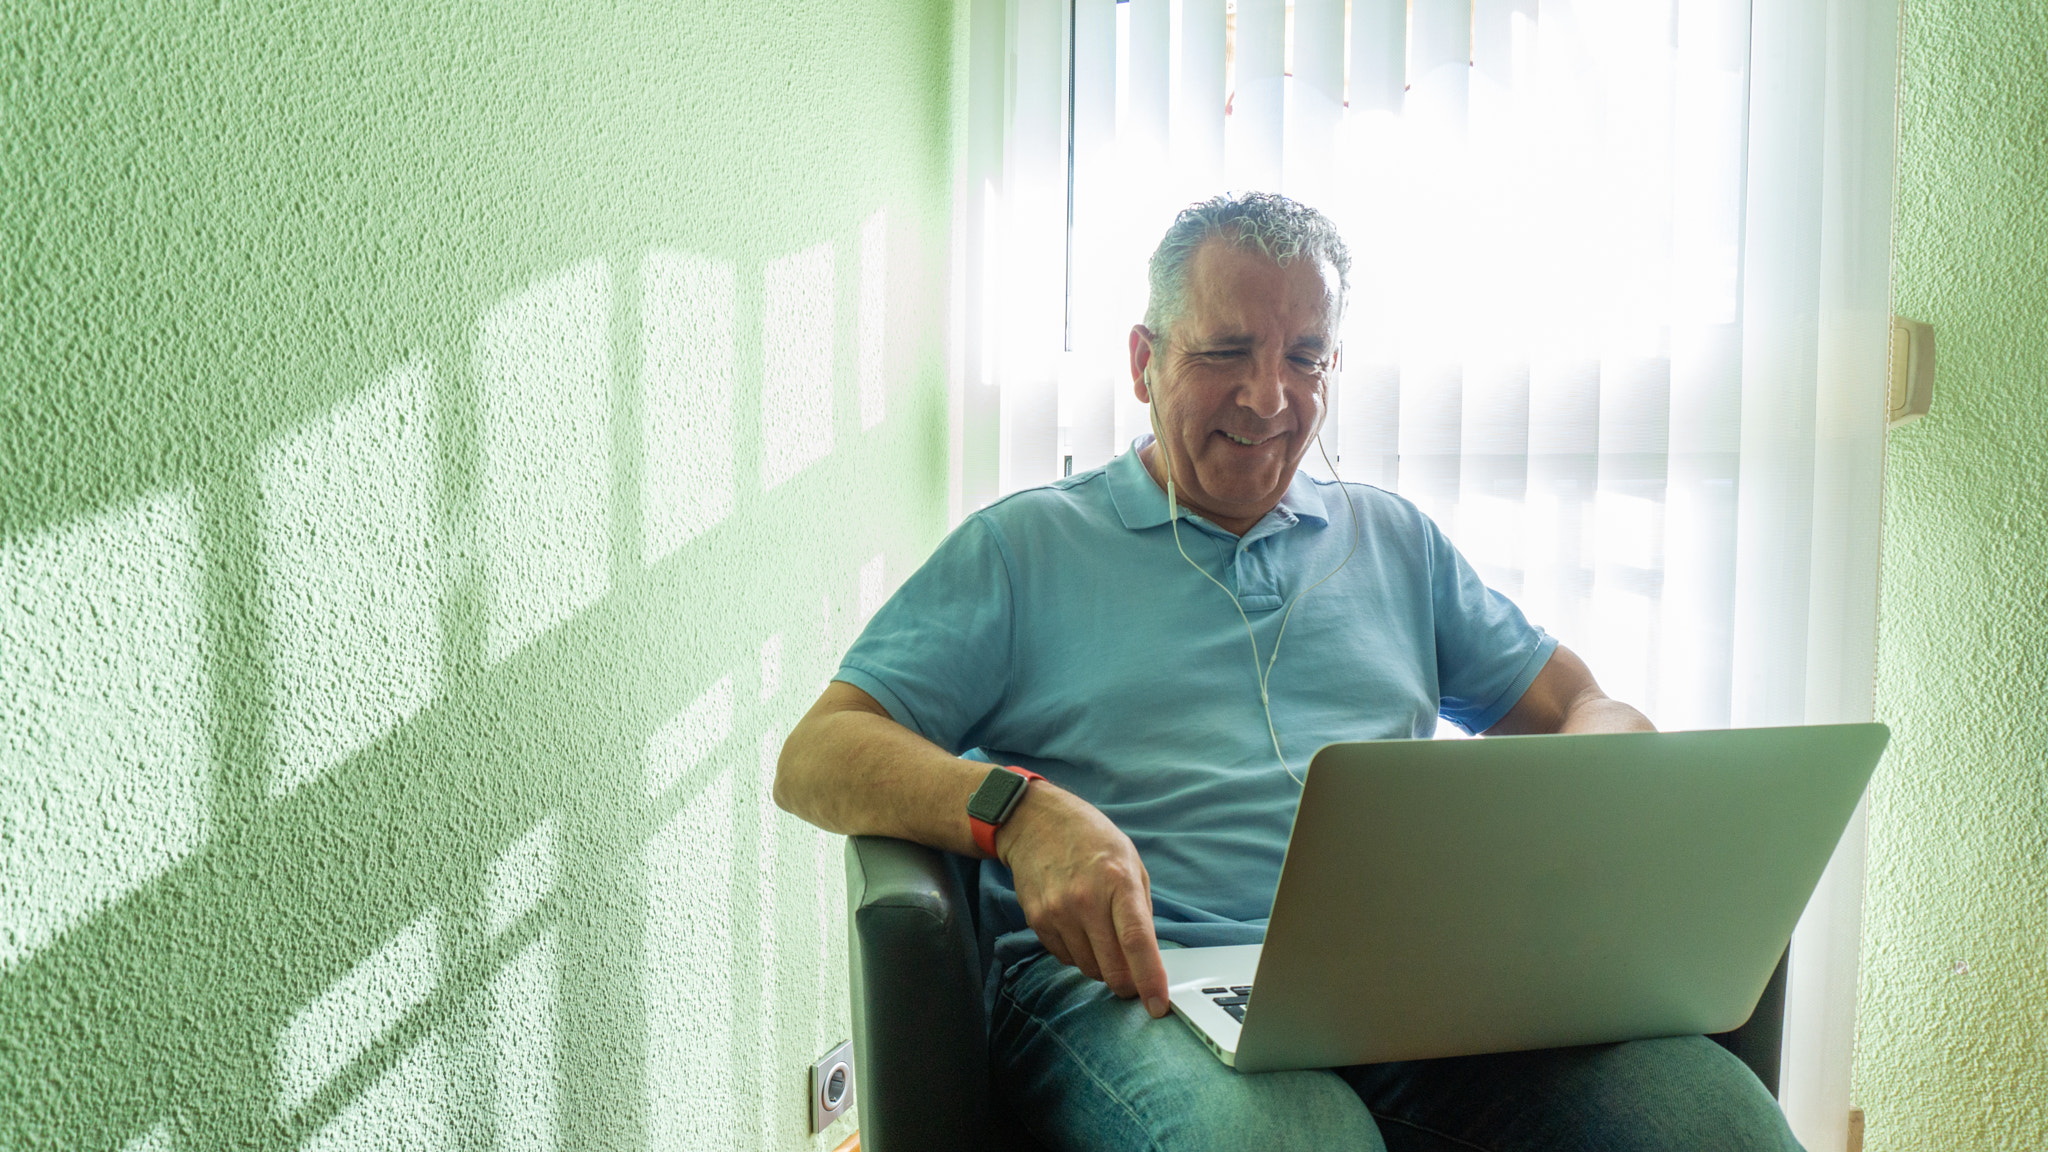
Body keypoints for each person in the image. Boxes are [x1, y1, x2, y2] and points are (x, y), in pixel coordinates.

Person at [774, 192, 1800, 1151]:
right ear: (1142, 361)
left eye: (1305, 358)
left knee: (1707, 1123)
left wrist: (1599, 766)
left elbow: (1582, 702)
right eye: (1225, 351)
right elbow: (817, 753)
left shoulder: (1393, 542)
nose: (1268, 397)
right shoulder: (1023, 548)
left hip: (1408, 992)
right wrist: (1021, 810)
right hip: (1141, 989)